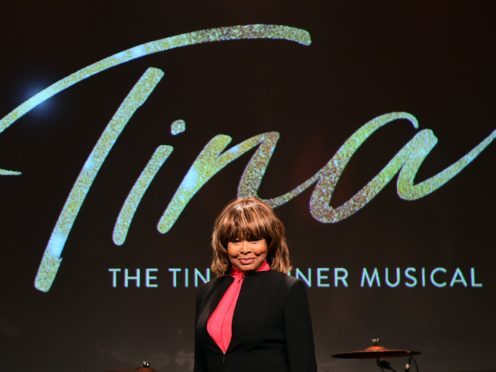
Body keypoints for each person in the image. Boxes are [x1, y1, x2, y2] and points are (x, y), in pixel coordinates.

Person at [194, 197, 317, 372]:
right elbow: (201, 362)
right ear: (224, 245)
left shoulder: (287, 288)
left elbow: (303, 364)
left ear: (269, 242)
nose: (245, 249)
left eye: (253, 240)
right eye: (235, 241)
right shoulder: (207, 291)